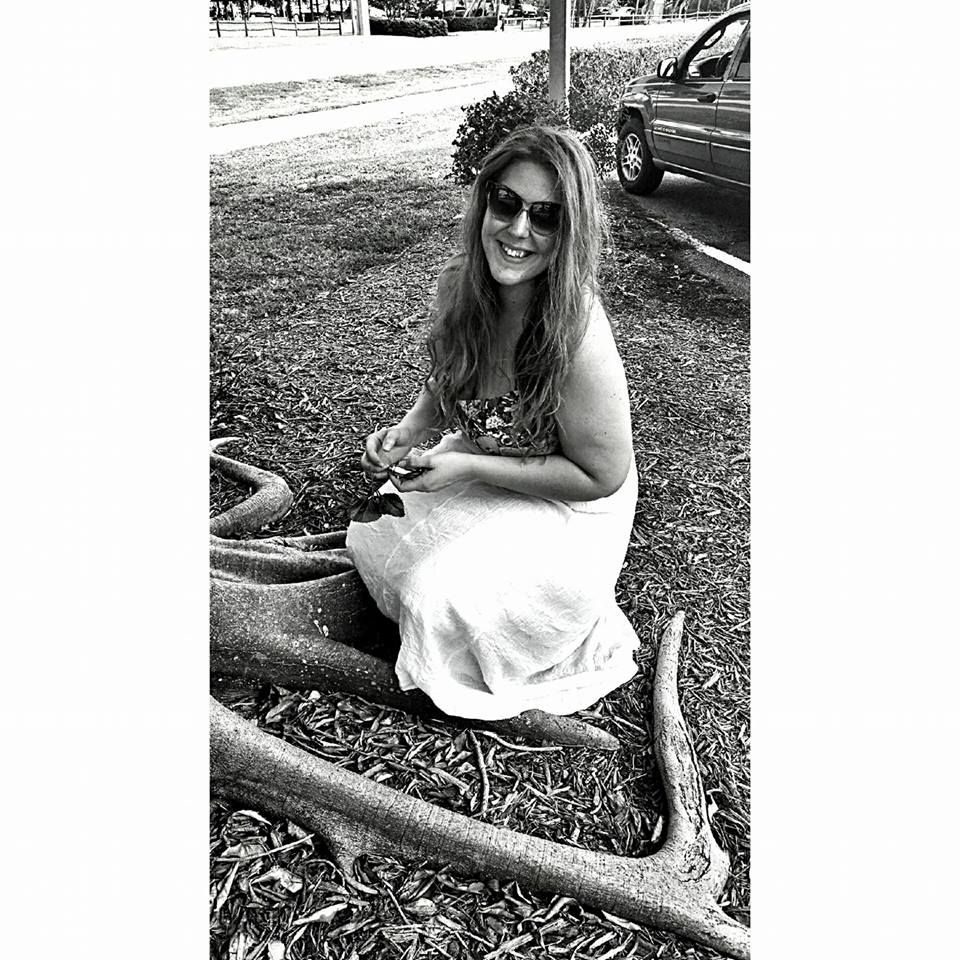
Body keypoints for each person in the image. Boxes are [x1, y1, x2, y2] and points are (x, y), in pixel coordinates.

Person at [345, 125, 640, 722]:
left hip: (571, 505)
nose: (519, 230)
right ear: (485, 202)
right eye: (506, 203)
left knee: (432, 593)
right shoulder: (461, 283)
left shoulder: (577, 332)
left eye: (546, 216)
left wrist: (467, 466)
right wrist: (408, 432)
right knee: (370, 536)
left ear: (571, 231)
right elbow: (452, 375)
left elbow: (600, 476)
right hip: (491, 456)